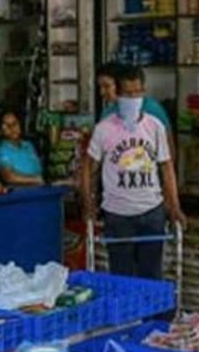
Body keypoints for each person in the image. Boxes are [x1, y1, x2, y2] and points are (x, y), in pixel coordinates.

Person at [80, 68, 186, 280]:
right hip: (118, 214)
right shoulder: (104, 129)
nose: (133, 99)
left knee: (152, 274)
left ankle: (152, 315)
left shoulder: (154, 127)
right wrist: (88, 204)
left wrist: (174, 207)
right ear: (117, 94)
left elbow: (167, 168)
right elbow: (87, 169)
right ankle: (128, 315)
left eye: (138, 93)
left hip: (151, 211)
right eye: (128, 94)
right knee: (122, 276)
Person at [96, 62, 173, 132]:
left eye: (107, 86)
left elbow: (167, 143)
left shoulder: (151, 108)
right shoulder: (107, 113)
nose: (102, 92)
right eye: (100, 87)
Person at [0, 109, 44, 186]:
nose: (12, 128)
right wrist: (36, 179)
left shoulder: (28, 145)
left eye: (15, 123)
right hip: (18, 195)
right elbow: (9, 177)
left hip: (39, 191)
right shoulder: (2, 151)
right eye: (7, 125)